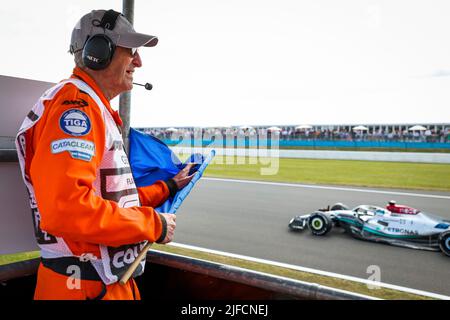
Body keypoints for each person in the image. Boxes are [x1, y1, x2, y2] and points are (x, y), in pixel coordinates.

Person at [15, 9, 194, 300]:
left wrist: (169, 187)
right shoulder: (76, 109)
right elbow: (67, 210)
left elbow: (111, 199)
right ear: (98, 53)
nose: (138, 61)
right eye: (131, 51)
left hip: (100, 283)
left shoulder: (91, 107)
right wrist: (151, 224)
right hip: (82, 287)